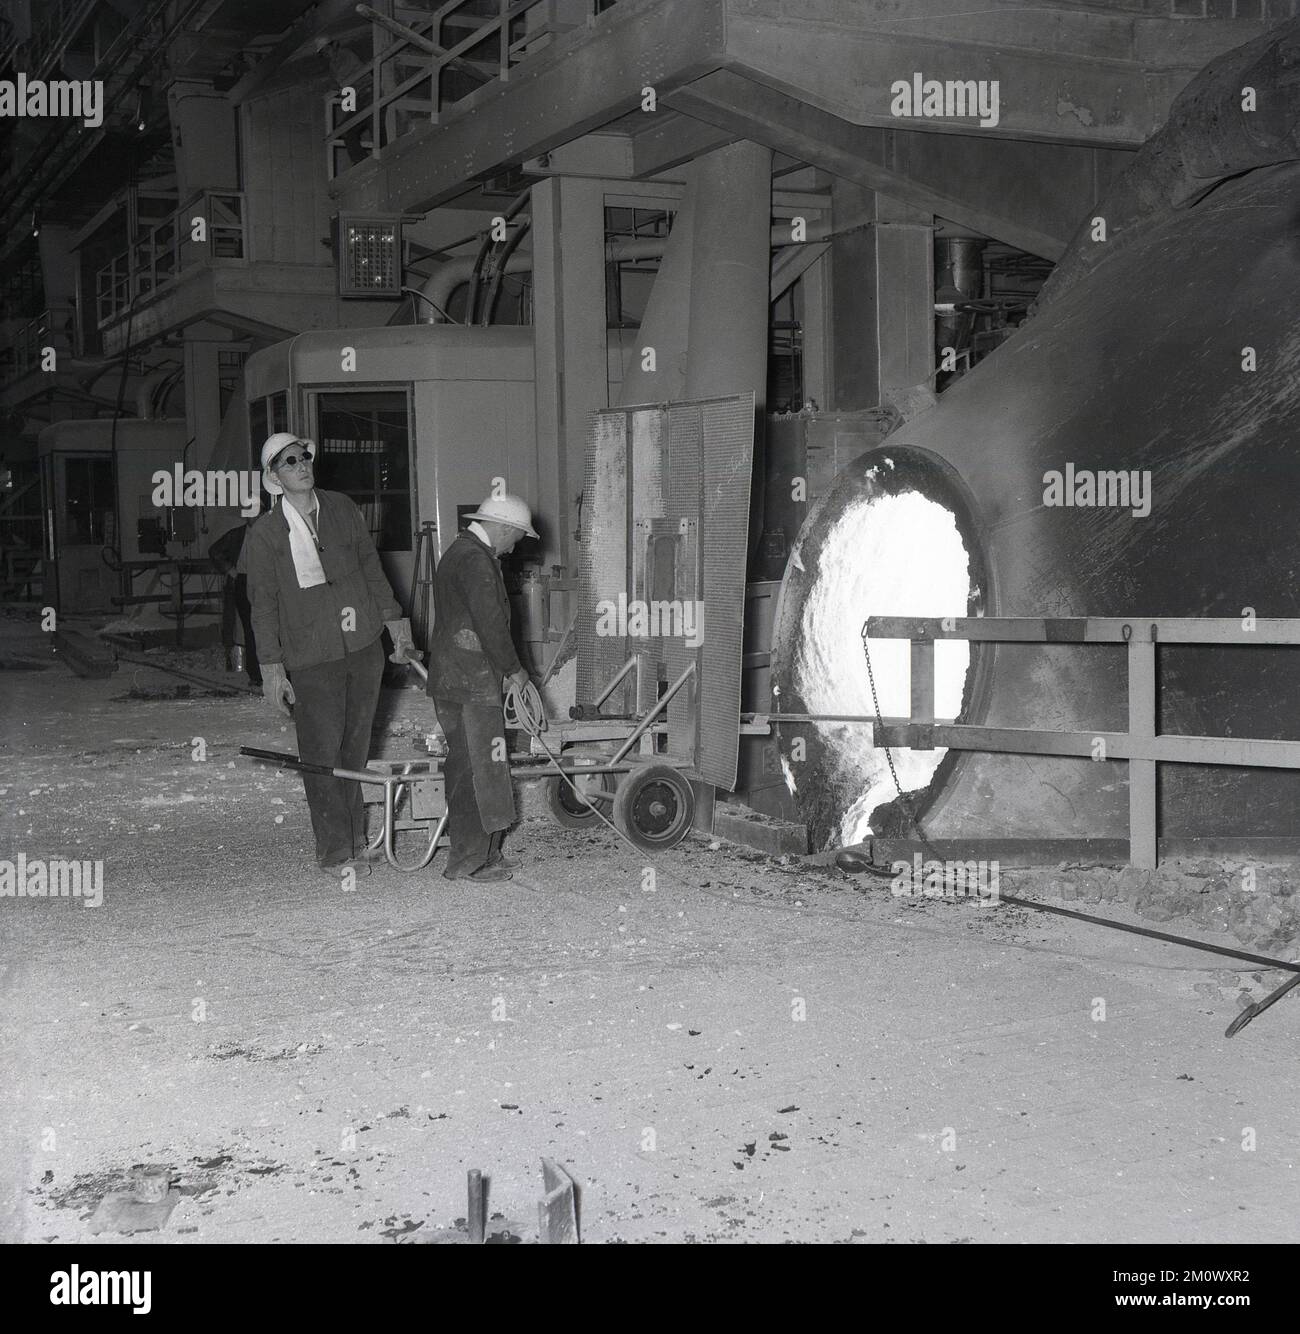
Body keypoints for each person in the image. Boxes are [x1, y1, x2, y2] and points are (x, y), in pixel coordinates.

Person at [243, 432, 417, 878]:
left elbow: (372, 570)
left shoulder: (341, 508)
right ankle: (336, 853)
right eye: (289, 462)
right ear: (274, 478)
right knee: (321, 757)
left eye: (304, 457)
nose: (301, 465)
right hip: (310, 657)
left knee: (355, 752)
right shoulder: (264, 534)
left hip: (362, 647)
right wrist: (271, 669)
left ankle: (357, 843)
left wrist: (396, 624)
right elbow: (262, 605)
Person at [426, 494, 537, 883]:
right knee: (478, 769)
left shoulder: (461, 551)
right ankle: (471, 860)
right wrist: (515, 669)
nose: (515, 545)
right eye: (517, 537)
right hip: (471, 681)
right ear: (504, 527)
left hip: (458, 678)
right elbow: (490, 623)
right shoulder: (476, 560)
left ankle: (483, 853)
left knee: (475, 766)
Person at [209, 520, 260, 686]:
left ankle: (262, 672)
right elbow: (215, 550)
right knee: (250, 628)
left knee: (259, 628)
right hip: (244, 580)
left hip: (263, 581)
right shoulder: (237, 534)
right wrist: (230, 570)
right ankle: (255, 674)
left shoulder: (268, 532)